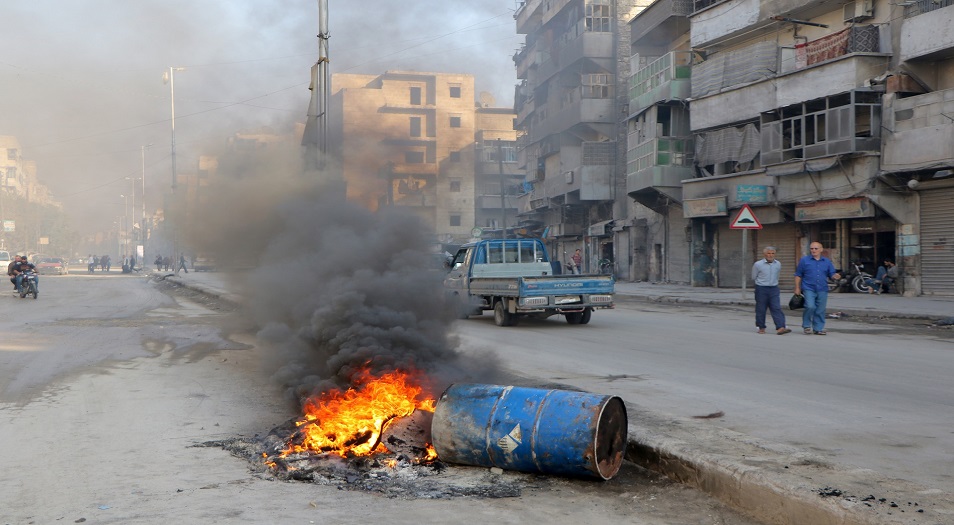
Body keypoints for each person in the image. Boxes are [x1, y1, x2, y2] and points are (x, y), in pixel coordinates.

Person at [794, 241, 841, 335]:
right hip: (808, 288)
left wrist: (835, 276)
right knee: (810, 306)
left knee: (820, 309)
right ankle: (807, 326)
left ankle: (818, 328)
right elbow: (798, 275)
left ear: (821, 250)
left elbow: (831, 273)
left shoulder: (826, 261)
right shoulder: (804, 260)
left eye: (816, 248)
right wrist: (797, 288)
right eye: (812, 248)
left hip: (822, 289)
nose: (813, 250)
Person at [752, 246, 791, 335]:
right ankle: (761, 327)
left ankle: (780, 327)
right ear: (764, 254)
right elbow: (754, 276)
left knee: (776, 307)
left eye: (772, 253)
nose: (770, 255)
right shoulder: (758, 264)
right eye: (768, 253)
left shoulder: (778, 264)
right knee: (761, 308)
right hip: (761, 288)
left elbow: (777, 275)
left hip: (773, 288)